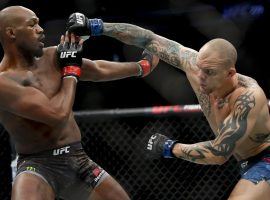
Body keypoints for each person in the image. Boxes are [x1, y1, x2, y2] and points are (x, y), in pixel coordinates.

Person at [66, 13, 270, 199]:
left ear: (230, 74)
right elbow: (148, 39)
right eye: (199, 69)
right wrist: (96, 26)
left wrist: (170, 148)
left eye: (209, 72)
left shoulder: (248, 98)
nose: (200, 78)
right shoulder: (194, 65)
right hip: (244, 160)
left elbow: (218, 154)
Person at [0, 6, 159, 200]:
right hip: (36, 165)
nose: (41, 29)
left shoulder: (53, 57)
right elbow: (56, 115)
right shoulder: (3, 81)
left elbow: (98, 69)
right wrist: (71, 71)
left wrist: (142, 67)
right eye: (32, 24)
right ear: (11, 32)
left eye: (39, 23)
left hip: (77, 158)